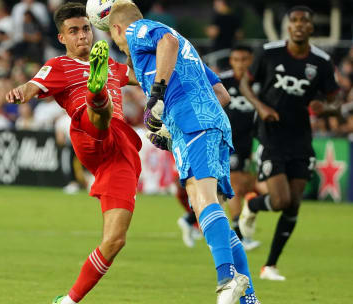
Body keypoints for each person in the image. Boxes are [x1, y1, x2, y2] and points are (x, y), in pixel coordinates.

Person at [108, 2, 260, 303]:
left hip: (193, 122)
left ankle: (227, 278)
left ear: (115, 30)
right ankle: (248, 298)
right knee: (208, 206)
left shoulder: (139, 29)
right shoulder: (186, 51)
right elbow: (222, 94)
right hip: (211, 124)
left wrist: (158, 96)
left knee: (203, 202)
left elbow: (167, 41)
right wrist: (170, 131)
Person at [5, 3, 142, 304]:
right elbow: (32, 85)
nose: (82, 35)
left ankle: (68, 301)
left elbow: (145, 74)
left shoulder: (117, 68)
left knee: (115, 240)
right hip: (87, 132)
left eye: (85, 29)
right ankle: (96, 94)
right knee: (99, 110)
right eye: (73, 31)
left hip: (119, 151)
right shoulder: (57, 66)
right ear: (62, 38)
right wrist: (20, 93)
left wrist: (134, 39)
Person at [238, 6, 340, 281]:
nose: (297, 25)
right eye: (293, 21)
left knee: (294, 204)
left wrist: (326, 108)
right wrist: (260, 107)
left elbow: (336, 101)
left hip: (301, 139)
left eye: (303, 21)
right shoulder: (270, 52)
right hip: (271, 136)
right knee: (281, 200)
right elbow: (246, 84)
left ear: (310, 28)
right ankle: (253, 205)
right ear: (287, 26)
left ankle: (269, 266)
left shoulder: (321, 62)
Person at [219, 45, 261, 251]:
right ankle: (239, 234)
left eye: (244, 59)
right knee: (235, 184)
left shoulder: (259, 82)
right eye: (236, 59)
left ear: (251, 60)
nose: (240, 63)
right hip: (226, 139)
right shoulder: (223, 81)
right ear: (231, 61)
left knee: (244, 185)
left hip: (248, 141)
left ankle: (192, 219)